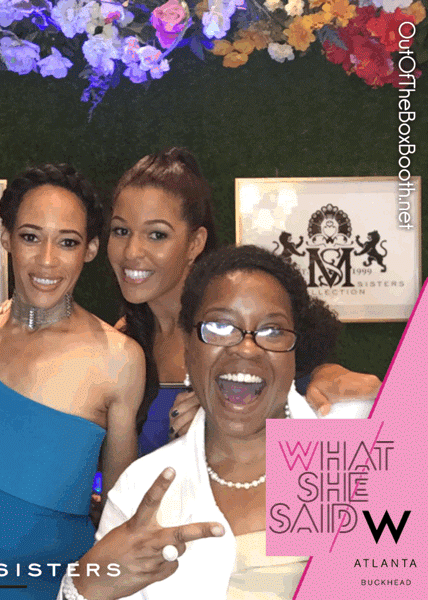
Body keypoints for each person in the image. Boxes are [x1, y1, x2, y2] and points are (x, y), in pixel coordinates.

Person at [61, 245, 368, 600]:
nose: (247, 348)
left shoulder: (354, 453)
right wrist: (84, 588)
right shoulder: (141, 489)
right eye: (220, 326)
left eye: (272, 330)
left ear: (296, 350)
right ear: (187, 346)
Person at [106, 148, 381, 454]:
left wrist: (237, 419)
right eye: (121, 231)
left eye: (157, 235)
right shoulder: (123, 339)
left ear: (195, 243)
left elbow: (319, 402)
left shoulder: (249, 327)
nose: (131, 251)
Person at [0, 164, 145, 598]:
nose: (46, 260)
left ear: (90, 249)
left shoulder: (119, 358)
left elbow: (118, 516)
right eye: (30, 237)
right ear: (6, 238)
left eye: (67, 242)